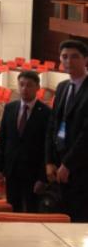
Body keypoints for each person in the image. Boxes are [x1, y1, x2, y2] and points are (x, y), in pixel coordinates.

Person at [0, 71, 50, 213]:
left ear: (38, 87)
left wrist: (42, 178)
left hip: (33, 173)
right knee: (12, 208)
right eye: (22, 85)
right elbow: (2, 139)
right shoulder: (10, 108)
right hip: (12, 170)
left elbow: (47, 147)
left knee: (32, 210)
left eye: (29, 85)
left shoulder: (46, 113)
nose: (25, 88)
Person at [46, 39, 88, 222]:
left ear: (86, 60)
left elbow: (86, 134)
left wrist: (68, 164)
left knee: (79, 220)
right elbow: (53, 125)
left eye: (74, 57)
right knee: (60, 218)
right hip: (59, 164)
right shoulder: (62, 87)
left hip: (81, 166)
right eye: (64, 57)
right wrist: (49, 161)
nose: (68, 61)